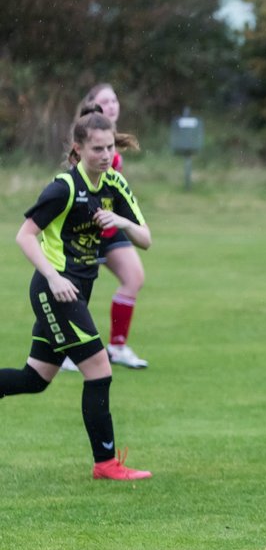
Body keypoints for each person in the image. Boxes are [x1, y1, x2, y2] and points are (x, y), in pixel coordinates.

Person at [0, 105, 152, 481]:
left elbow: (145, 239)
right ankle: (106, 463)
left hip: (77, 292)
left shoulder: (115, 184)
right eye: (96, 149)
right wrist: (53, 277)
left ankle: (106, 463)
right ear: (78, 149)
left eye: (108, 148)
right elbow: (24, 236)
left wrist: (120, 221)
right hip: (55, 291)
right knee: (99, 367)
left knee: (35, 379)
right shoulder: (64, 188)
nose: (103, 156)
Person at [80, 83, 150, 369]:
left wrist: (124, 218)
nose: (112, 105)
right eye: (105, 101)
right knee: (73, 292)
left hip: (111, 228)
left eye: (115, 99)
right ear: (93, 105)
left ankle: (118, 347)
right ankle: (67, 351)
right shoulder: (84, 139)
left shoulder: (113, 144)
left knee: (134, 277)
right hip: (85, 231)